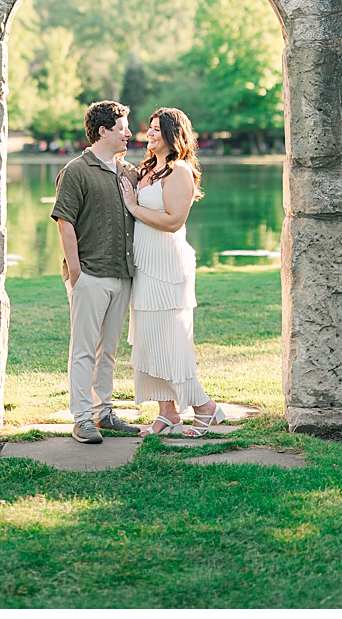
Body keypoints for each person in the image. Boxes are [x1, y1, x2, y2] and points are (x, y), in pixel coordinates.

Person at [120, 107, 226, 436]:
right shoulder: (148, 169)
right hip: (145, 266)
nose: (149, 134)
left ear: (171, 133)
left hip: (168, 267)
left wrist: (134, 207)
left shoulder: (179, 171)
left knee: (172, 341)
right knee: (149, 340)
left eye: (155, 129)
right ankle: (167, 413)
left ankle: (206, 408)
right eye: (148, 129)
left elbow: (173, 221)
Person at [51, 100, 142, 444]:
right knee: (84, 350)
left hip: (122, 275)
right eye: (122, 128)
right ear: (103, 131)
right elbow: (65, 222)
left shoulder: (128, 172)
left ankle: (104, 413)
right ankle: (81, 418)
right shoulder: (76, 170)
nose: (129, 134)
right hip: (89, 275)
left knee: (108, 351)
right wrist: (76, 274)